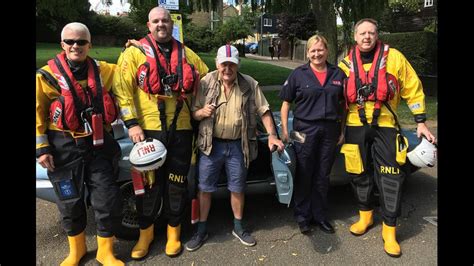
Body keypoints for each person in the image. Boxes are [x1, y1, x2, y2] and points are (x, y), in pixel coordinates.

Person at [112, 6, 209, 259]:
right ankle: (146, 234)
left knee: (177, 184)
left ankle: (174, 233)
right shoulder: (133, 53)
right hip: (148, 131)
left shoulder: (187, 54)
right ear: (148, 25)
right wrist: (132, 123)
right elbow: (121, 90)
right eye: (156, 21)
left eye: (165, 20)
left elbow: (209, 80)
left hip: (182, 130)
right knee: (148, 186)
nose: (161, 25)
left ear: (171, 24)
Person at [338, 18, 437, 257]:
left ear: (377, 35)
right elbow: (335, 96)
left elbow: (412, 87)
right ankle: (365, 217)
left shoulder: (395, 58)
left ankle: (390, 230)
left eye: (371, 32)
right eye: (362, 33)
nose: (367, 37)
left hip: (385, 125)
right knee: (358, 172)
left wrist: (421, 121)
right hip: (354, 125)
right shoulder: (345, 62)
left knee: (390, 176)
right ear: (355, 36)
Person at [36, 22, 124, 266]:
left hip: (99, 146)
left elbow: (130, 68)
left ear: (90, 44)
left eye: (81, 42)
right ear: (62, 45)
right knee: (69, 200)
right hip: (63, 147)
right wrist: (42, 149)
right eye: (70, 42)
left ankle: (106, 251)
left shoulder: (106, 71)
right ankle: (77, 249)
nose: (76, 46)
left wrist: (136, 45)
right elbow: (37, 113)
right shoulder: (46, 76)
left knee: (106, 198)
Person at [185, 44, 285, 252]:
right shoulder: (206, 82)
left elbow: (264, 110)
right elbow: (194, 113)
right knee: (204, 188)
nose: (227, 69)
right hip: (211, 145)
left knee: (238, 187)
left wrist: (273, 135)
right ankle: (201, 230)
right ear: (217, 64)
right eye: (224, 64)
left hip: (239, 145)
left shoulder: (249, 84)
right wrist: (202, 112)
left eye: (232, 64)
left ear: (237, 65)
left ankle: (238, 227)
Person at [279, 35, 346, 235]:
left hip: (330, 130)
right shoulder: (298, 74)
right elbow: (285, 104)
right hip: (303, 130)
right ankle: (303, 217)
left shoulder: (338, 74)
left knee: (323, 174)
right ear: (308, 53)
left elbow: (344, 105)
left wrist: (342, 131)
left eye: (320, 50)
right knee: (305, 172)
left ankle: (320, 216)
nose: (317, 54)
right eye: (313, 51)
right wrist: (284, 129)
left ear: (327, 51)